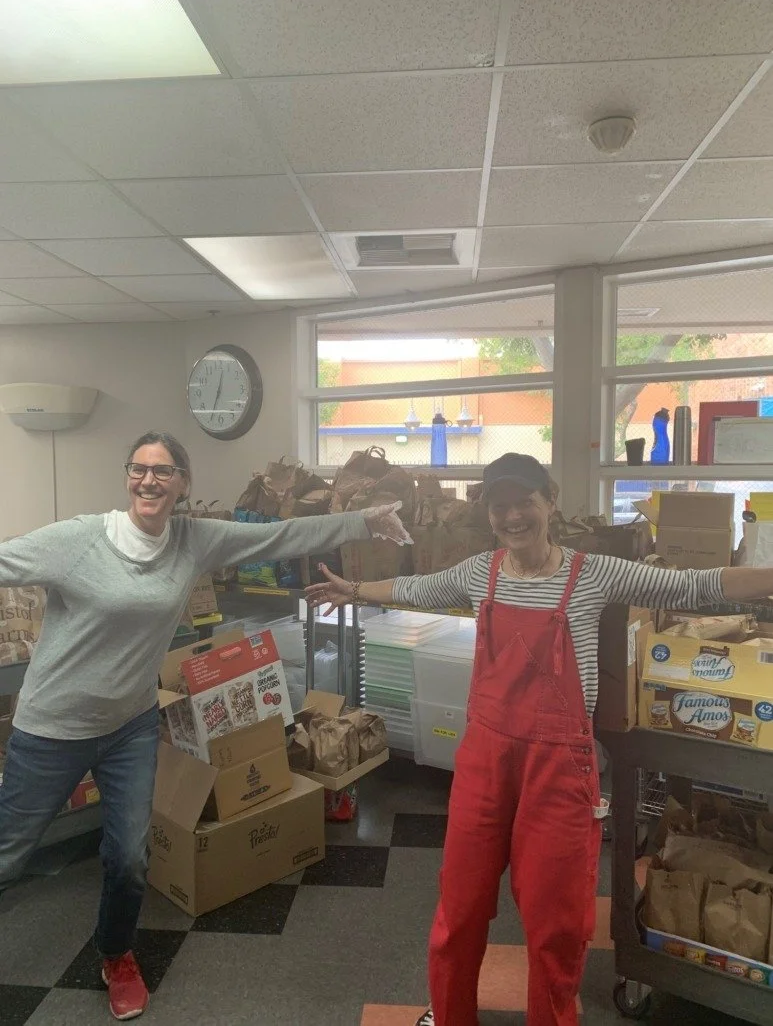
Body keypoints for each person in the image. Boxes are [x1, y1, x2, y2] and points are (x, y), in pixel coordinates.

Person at [305, 452, 773, 1026]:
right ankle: (450, 1016)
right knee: (460, 907)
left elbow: (693, 583)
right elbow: (419, 587)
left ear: (550, 501)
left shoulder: (594, 572)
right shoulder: (482, 572)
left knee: (557, 922)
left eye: (524, 501)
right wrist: (354, 588)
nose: (513, 515)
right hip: (483, 760)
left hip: (559, 767)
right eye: (500, 505)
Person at [0, 431, 409, 1022]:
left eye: (163, 472)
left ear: (183, 484)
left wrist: (366, 519)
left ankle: (115, 953)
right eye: (138, 468)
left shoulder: (193, 540)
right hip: (52, 728)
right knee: (9, 856)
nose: (148, 480)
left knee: (129, 857)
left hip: (129, 727)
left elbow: (280, 533)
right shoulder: (78, 540)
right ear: (127, 477)